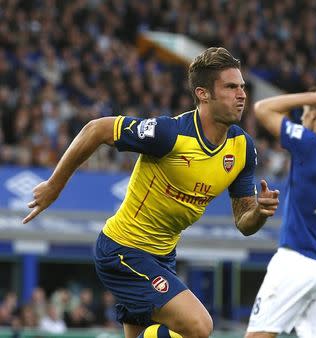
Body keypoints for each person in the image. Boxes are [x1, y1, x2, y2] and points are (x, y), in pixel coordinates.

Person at [23, 47, 280, 338]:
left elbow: (244, 222)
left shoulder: (242, 148)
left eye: (243, 87)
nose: (242, 94)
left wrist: (258, 211)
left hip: (162, 258)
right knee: (199, 326)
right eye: (231, 87)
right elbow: (96, 129)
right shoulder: (169, 134)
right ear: (202, 93)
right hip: (123, 250)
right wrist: (54, 186)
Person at [245, 85, 316, 338]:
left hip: (298, 261)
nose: (302, 117)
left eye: (306, 111)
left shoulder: (310, 146)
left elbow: (262, 109)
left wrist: (313, 98)